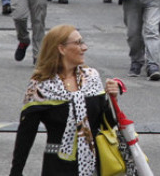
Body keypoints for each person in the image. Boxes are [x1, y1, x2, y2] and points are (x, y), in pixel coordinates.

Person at [9, 24, 122, 176]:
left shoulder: (92, 78)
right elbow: (26, 134)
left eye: (83, 42)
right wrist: (16, 171)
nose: (85, 47)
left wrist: (112, 97)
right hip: (57, 167)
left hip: (95, 164)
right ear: (61, 49)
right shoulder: (40, 87)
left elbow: (108, 123)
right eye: (78, 43)